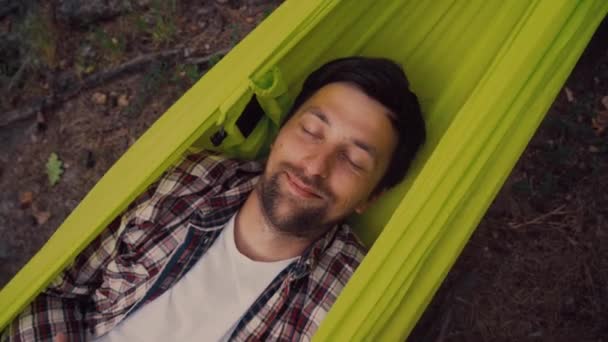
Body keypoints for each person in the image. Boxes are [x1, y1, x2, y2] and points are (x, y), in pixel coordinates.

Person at [2, 56, 425, 341]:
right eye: (311, 131)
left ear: (371, 197)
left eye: (352, 160)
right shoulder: (186, 182)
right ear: (279, 133)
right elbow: (58, 292)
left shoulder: (350, 295)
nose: (315, 166)